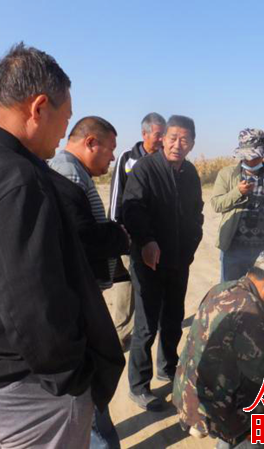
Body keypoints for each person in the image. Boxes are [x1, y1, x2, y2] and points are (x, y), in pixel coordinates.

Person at [0, 43, 123, 448]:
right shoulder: (14, 177)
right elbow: (33, 302)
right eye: (65, 119)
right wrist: (72, 378)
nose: (63, 133)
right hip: (33, 388)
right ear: (39, 108)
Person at [49, 116, 131, 449]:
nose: (112, 157)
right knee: (89, 386)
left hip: (83, 292)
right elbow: (80, 237)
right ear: (91, 142)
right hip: (76, 299)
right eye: (110, 149)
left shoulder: (74, 171)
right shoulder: (66, 173)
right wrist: (117, 236)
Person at [173, 252, 264, 449]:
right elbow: (263, 370)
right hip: (212, 404)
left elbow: (240, 328)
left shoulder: (222, 289)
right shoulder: (249, 307)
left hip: (189, 390)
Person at [122, 115, 204, 411]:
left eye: (184, 139)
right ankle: (139, 386)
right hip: (149, 261)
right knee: (146, 325)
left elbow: (196, 212)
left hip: (179, 260)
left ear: (192, 143)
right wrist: (146, 240)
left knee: (173, 319)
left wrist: (192, 244)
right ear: (163, 139)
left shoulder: (190, 173)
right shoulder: (145, 168)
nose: (177, 144)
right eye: (172, 138)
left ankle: (168, 368)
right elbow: (131, 209)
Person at [107, 112, 166, 347]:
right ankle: (121, 335)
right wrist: (116, 229)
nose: (162, 139)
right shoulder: (127, 158)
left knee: (152, 284)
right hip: (128, 235)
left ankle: (150, 326)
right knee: (126, 286)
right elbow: (116, 195)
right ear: (144, 134)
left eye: (164, 134)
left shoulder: (164, 159)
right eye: (158, 134)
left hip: (155, 236)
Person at [211, 128, 264, 282]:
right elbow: (216, 204)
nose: (251, 161)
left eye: (255, 156)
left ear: (263, 154)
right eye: (247, 156)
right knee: (230, 291)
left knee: (261, 292)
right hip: (233, 247)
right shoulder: (226, 174)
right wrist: (238, 192)